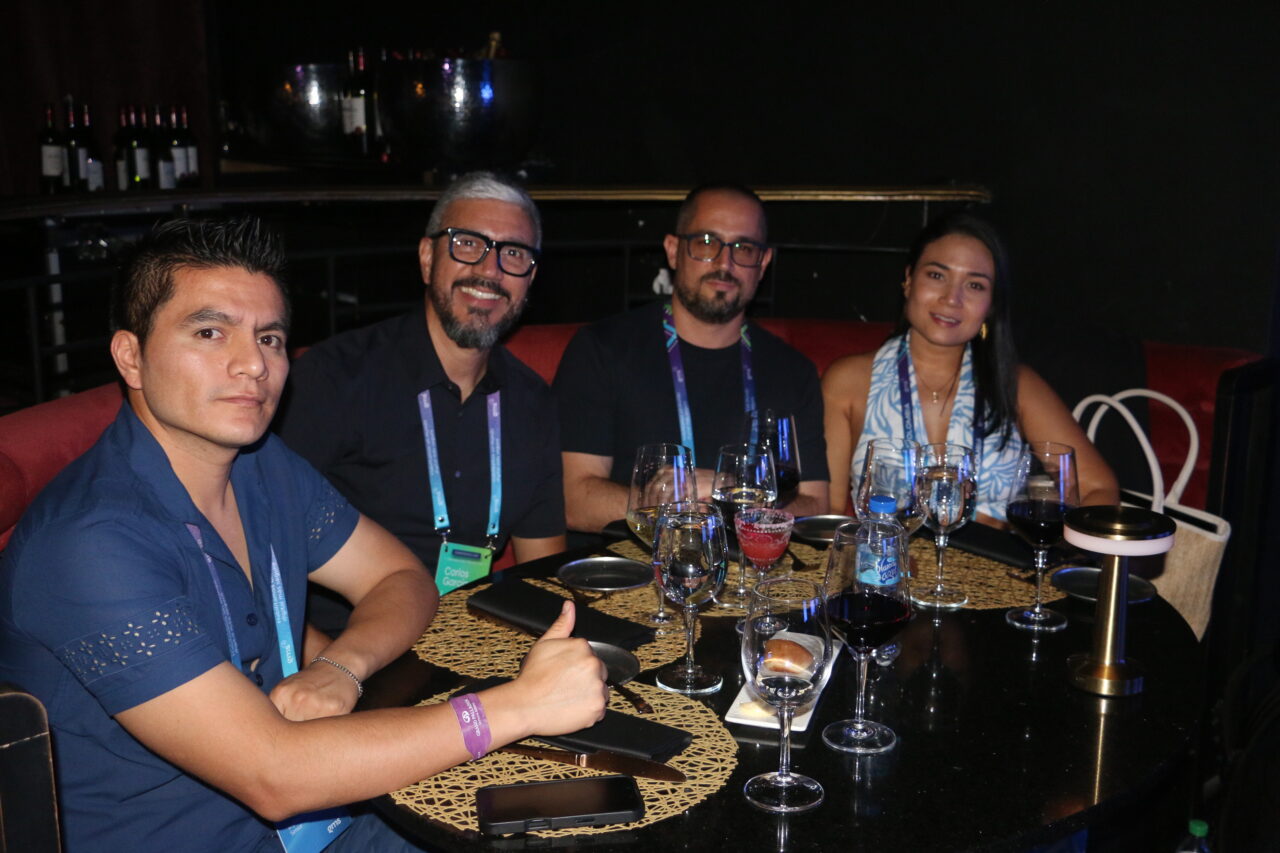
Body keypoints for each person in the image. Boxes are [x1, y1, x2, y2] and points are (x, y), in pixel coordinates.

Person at [0, 217, 607, 852]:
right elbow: (275, 774)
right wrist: (517, 707)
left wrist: (342, 666)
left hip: (329, 818)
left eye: (269, 338)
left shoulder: (263, 466)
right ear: (131, 356)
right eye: (210, 332)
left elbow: (399, 577)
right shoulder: (89, 543)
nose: (253, 365)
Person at [277, 172, 564, 609]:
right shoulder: (334, 378)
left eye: (513, 253)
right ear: (428, 258)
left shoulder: (532, 402)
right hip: (351, 637)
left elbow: (542, 576)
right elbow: (263, 550)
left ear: (531, 277)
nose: (490, 270)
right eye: (468, 244)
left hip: (477, 636)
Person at [554, 184, 830, 533]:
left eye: (744, 248)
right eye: (706, 242)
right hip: (632, 561)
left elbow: (816, 505)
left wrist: (733, 492)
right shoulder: (602, 349)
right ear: (673, 251)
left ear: (763, 264)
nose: (725, 263)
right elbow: (573, 500)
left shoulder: (793, 371)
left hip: (750, 562)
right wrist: (674, 504)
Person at [822, 210, 1119, 521]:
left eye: (975, 285)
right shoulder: (849, 381)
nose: (952, 298)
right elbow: (828, 513)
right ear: (908, 280)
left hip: (994, 552)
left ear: (991, 305)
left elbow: (1098, 487)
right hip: (885, 552)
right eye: (937, 275)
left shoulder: (1016, 384)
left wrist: (1062, 544)